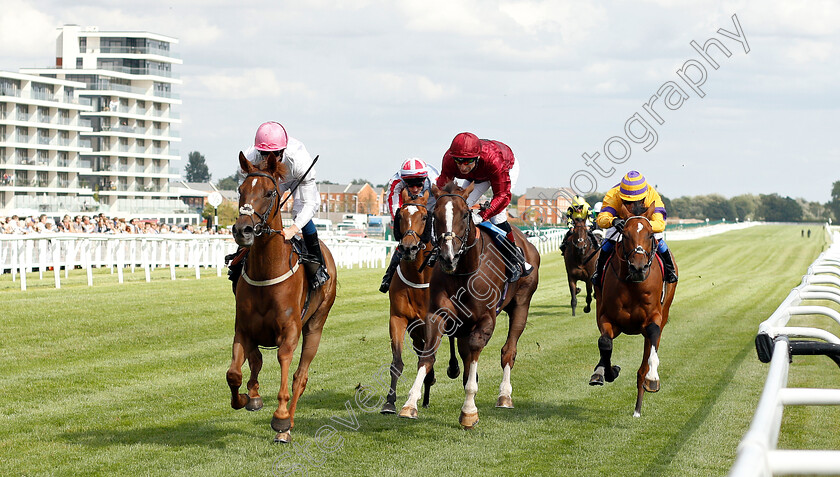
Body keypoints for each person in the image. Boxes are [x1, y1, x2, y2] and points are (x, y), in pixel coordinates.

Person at [228, 121, 328, 292]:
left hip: (296, 178)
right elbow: (245, 194)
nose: (268, 158)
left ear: (282, 150)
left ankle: (317, 265)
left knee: (299, 212)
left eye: (273, 153)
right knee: (258, 213)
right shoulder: (250, 158)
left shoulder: (299, 160)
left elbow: (310, 203)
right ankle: (239, 261)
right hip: (267, 178)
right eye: (264, 153)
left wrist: (293, 229)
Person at [436, 132, 532, 282]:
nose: (462, 167)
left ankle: (513, 259)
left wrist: (481, 215)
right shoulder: (449, 159)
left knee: (497, 216)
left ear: (477, 157)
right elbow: (443, 192)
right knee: (459, 209)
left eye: (467, 162)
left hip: (505, 166)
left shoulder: (494, 160)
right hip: (477, 175)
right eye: (458, 161)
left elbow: (503, 196)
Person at [590, 171, 678, 286]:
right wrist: (613, 221)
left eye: (635, 201)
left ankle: (670, 270)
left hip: (645, 224)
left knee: (659, 240)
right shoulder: (613, 194)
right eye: (627, 202)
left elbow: (660, 224)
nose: (631, 205)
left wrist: (643, 227)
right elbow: (601, 219)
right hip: (621, 223)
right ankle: (599, 273)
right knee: (607, 243)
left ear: (643, 197)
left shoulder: (652, 195)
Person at [378, 157, 439, 293]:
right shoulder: (396, 182)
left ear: (424, 179)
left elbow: (442, 201)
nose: (415, 188)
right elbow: (394, 206)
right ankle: (388, 276)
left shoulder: (434, 179)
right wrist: (405, 224)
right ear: (404, 181)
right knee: (404, 239)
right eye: (410, 185)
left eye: (418, 184)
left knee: (436, 237)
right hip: (409, 206)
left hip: (432, 204)